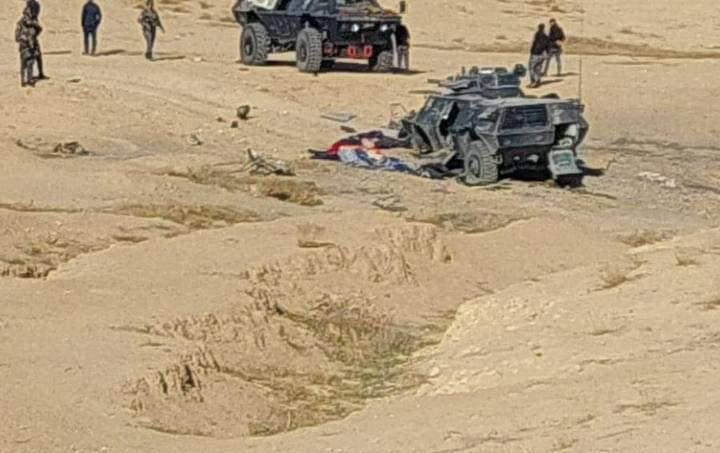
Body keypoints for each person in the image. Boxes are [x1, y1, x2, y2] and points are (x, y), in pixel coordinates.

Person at [15, 8, 39, 87]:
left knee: (30, 63)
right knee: (24, 64)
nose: (28, 16)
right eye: (27, 14)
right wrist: (24, 38)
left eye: (29, 14)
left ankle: (29, 79)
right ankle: (23, 80)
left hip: (32, 47)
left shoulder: (33, 23)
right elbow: (17, 37)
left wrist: (33, 25)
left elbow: (39, 29)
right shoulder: (20, 24)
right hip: (24, 47)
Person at [26, 0, 48, 80]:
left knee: (37, 57)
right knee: (34, 57)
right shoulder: (30, 18)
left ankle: (38, 74)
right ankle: (34, 74)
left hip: (32, 39)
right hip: (31, 39)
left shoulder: (31, 18)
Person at [528, 23, 549, 88]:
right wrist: (546, 53)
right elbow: (547, 46)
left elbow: (535, 45)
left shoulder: (537, 35)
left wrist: (532, 52)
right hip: (541, 54)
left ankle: (533, 82)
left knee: (532, 67)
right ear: (544, 28)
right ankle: (537, 81)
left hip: (536, 53)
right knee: (538, 68)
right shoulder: (545, 36)